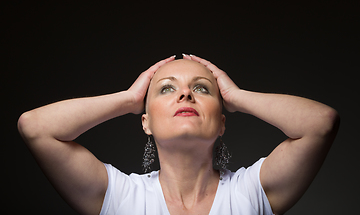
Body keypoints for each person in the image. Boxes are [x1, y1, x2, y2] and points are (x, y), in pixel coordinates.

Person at [17, 54, 340, 215]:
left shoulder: (251, 190)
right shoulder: (119, 196)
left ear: (222, 122)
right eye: (167, 89)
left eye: (201, 89)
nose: (185, 95)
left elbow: (321, 123)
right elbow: (35, 127)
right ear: (146, 122)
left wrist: (238, 96)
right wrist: (129, 99)